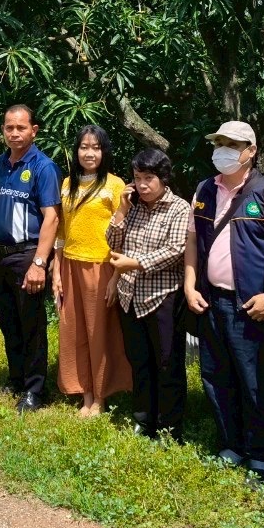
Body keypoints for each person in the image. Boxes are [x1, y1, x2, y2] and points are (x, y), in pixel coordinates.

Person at [185, 121, 264, 483]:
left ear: (251, 151)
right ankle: (231, 445)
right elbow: (194, 241)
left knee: (255, 381)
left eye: (233, 144)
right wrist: (190, 284)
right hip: (210, 300)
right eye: (219, 143)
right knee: (216, 375)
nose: (223, 149)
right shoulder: (203, 190)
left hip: (250, 305)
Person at [0, 105, 62, 413]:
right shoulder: (0, 164)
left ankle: (36, 390)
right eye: (9, 128)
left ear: (33, 130)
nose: (14, 133)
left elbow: (52, 218)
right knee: (9, 322)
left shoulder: (43, 167)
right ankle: (16, 379)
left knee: (32, 327)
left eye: (20, 128)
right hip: (1, 255)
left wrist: (40, 264)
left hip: (28, 255)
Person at [106, 148, 191, 442]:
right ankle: (143, 421)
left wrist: (137, 263)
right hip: (130, 296)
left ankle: (169, 428)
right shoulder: (134, 206)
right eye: (138, 178)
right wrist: (121, 210)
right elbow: (113, 242)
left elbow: (175, 250)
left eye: (149, 178)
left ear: (163, 178)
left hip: (162, 298)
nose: (142, 185)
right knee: (139, 362)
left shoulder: (179, 208)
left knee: (167, 364)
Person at [53, 124, 131, 417]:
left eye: (95, 147)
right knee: (74, 331)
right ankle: (83, 391)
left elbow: (123, 234)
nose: (89, 153)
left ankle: (99, 397)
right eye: (84, 147)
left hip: (101, 267)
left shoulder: (115, 185)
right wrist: (56, 272)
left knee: (99, 333)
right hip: (71, 264)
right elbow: (61, 231)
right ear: (76, 151)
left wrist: (116, 276)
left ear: (104, 151)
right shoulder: (66, 183)